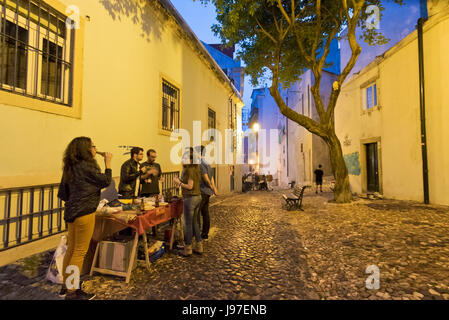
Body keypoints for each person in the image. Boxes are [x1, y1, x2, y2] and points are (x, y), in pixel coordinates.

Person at [57, 137, 112, 300]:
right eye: (93, 146)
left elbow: (63, 193)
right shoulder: (87, 166)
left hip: (72, 212)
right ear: (86, 150)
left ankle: (66, 286)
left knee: (72, 249)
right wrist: (108, 163)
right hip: (84, 212)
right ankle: (72, 292)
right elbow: (106, 181)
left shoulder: (71, 167)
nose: (96, 149)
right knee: (80, 251)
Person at [174, 148, 202, 256]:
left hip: (190, 198)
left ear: (191, 160)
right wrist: (180, 181)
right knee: (195, 223)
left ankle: (188, 248)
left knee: (188, 224)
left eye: (185, 158)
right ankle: (199, 246)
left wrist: (179, 183)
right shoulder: (195, 169)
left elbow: (190, 186)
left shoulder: (189, 170)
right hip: (197, 197)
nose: (183, 160)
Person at [139, 149, 163, 236]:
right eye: (152, 157)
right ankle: (145, 231)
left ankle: (155, 231)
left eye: (155, 157)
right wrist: (148, 173)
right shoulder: (143, 165)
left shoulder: (157, 165)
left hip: (155, 191)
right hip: (146, 192)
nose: (154, 159)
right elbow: (140, 178)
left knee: (156, 213)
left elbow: (160, 175)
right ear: (148, 156)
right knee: (147, 214)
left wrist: (161, 178)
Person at [197, 145, 218, 240]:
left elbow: (206, 178)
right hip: (208, 192)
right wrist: (213, 188)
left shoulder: (200, 164)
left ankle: (198, 233)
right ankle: (205, 233)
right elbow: (212, 178)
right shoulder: (207, 163)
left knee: (197, 213)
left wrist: (212, 187)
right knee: (205, 212)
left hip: (202, 191)